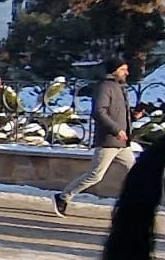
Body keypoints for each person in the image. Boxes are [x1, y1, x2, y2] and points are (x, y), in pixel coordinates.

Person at [53, 58, 132, 216]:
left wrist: (134, 116)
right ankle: (62, 197)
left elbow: (118, 113)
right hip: (108, 140)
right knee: (95, 175)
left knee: (136, 171)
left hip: (122, 142)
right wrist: (116, 130)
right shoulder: (105, 87)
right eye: (123, 69)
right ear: (114, 70)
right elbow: (99, 112)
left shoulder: (119, 87)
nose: (127, 73)